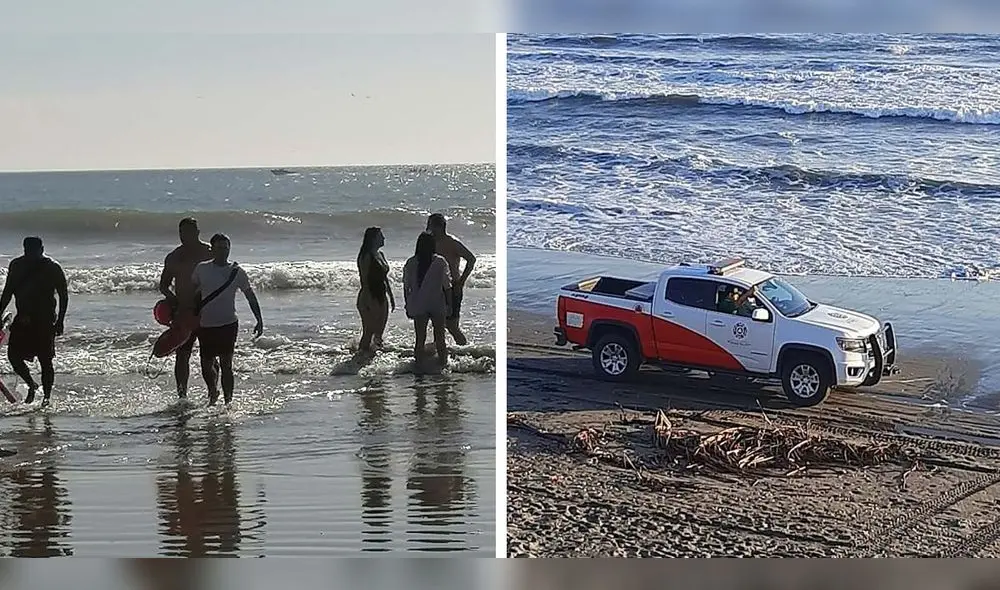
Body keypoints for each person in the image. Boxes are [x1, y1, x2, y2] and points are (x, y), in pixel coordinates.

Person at [191, 233, 264, 406]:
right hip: (206, 324)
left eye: (226, 248)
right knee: (206, 364)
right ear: (212, 249)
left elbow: (250, 296)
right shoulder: (201, 268)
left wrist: (259, 319)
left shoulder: (237, 272)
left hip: (228, 323)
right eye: (219, 248)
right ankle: (212, 392)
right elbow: (193, 292)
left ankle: (228, 402)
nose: (223, 251)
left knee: (226, 364)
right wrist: (188, 314)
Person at [0, 237, 68, 405]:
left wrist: (60, 320)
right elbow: (8, 292)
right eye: (28, 251)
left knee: (46, 361)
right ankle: (31, 384)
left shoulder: (52, 267)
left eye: (34, 251)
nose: (30, 254)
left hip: (45, 320)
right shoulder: (17, 265)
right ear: (24, 249)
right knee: (13, 356)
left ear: (41, 249)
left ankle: (46, 398)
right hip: (23, 318)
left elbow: (63, 295)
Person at [158, 217, 214, 399]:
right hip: (183, 314)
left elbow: (220, 276)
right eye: (181, 232)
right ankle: (182, 396)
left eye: (188, 232)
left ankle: (212, 394)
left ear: (197, 232)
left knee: (209, 357)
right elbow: (164, 285)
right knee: (182, 356)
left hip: (207, 312)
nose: (184, 236)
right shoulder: (174, 257)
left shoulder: (210, 252)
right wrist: (172, 299)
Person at [402, 232, 452, 370]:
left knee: (420, 338)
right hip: (436, 302)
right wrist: (449, 304)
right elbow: (447, 285)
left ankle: (419, 367)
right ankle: (443, 366)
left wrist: (408, 304)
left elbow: (406, 287)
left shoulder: (411, 262)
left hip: (419, 303)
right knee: (440, 338)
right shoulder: (440, 261)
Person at [425, 213, 476, 346]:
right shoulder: (428, 243)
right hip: (435, 288)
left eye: (430, 225)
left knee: (452, 326)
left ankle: (465, 350)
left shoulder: (452, 242)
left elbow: (471, 259)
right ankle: (440, 352)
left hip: (453, 287)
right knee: (437, 326)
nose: (428, 228)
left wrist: (461, 281)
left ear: (439, 227)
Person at [356, 227, 395, 354]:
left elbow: (385, 278)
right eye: (380, 236)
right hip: (369, 296)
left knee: (379, 332)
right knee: (368, 331)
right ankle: (360, 357)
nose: (383, 238)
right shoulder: (366, 256)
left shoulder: (380, 255)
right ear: (373, 239)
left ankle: (375, 357)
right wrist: (369, 299)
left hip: (381, 296)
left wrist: (391, 296)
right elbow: (364, 278)